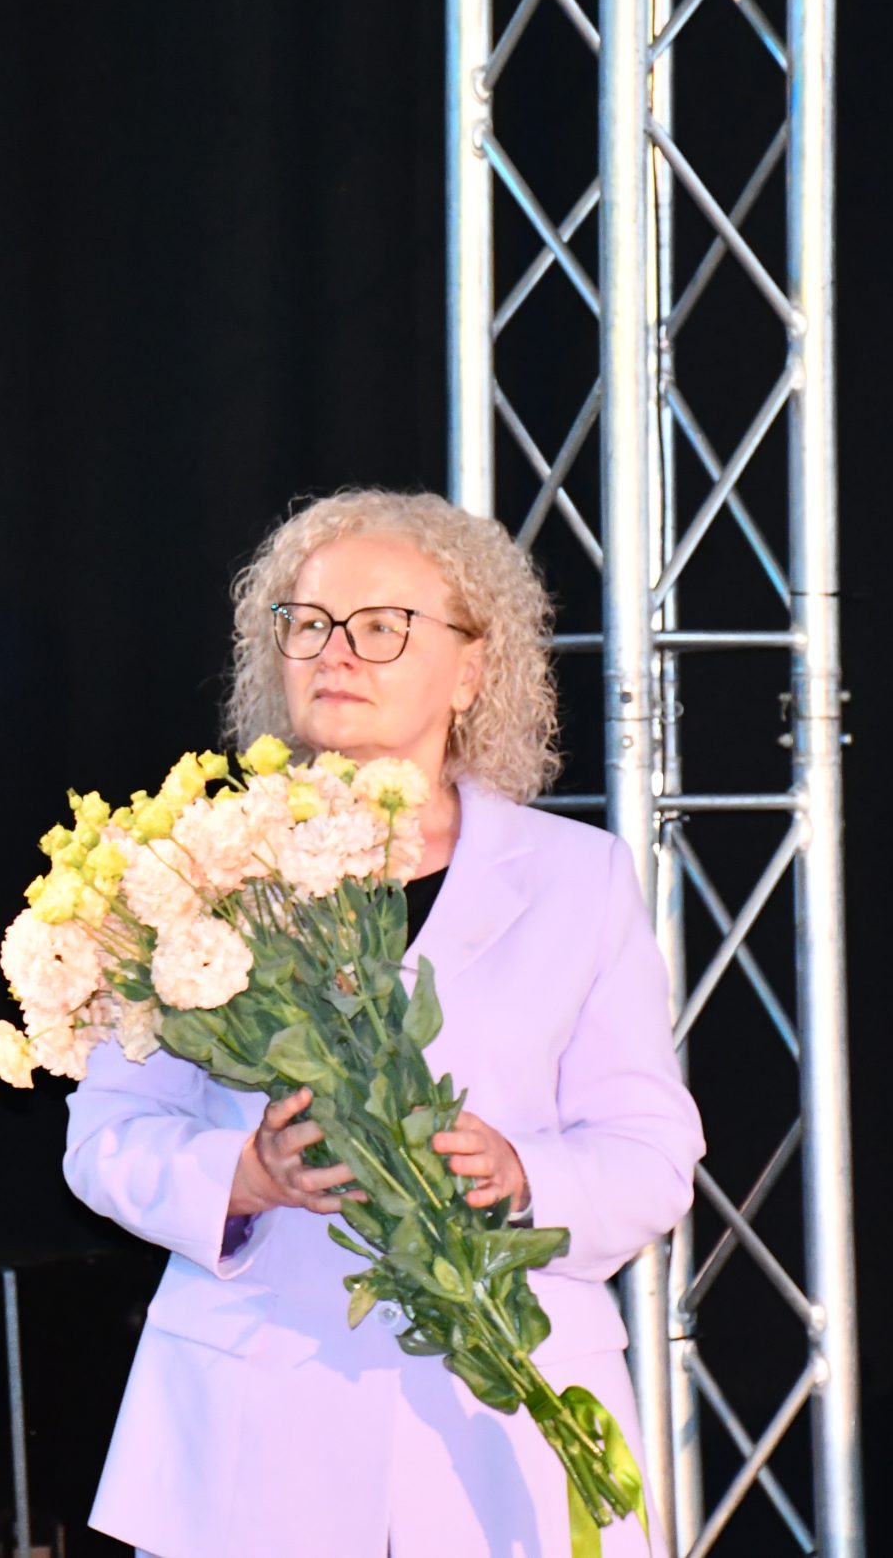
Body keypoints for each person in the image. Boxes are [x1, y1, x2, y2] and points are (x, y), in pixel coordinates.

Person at [62, 489, 704, 1558]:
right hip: (259, 1440)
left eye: (381, 627)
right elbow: (105, 1138)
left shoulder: (578, 878)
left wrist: (523, 1178)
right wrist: (244, 1177)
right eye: (308, 622)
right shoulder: (195, 874)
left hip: (505, 1435)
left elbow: (651, 1155)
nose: (335, 653)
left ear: (470, 669)